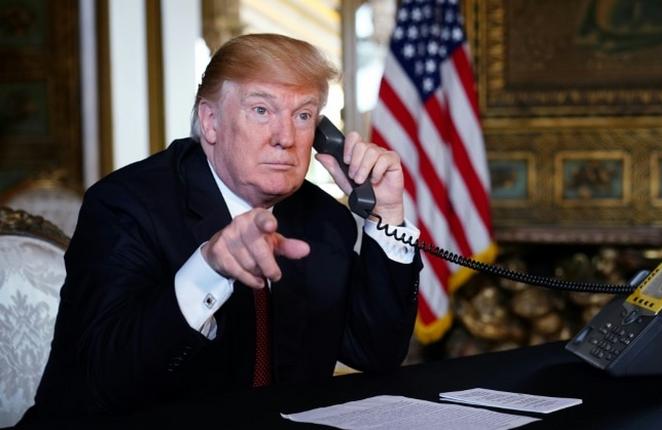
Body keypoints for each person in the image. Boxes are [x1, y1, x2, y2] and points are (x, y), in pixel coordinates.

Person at [21, 33, 421, 423]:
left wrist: (386, 214)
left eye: (303, 115)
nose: (285, 138)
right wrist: (208, 270)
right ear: (210, 122)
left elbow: (376, 353)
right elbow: (103, 383)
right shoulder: (124, 206)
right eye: (261, 110)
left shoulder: (323, 218)